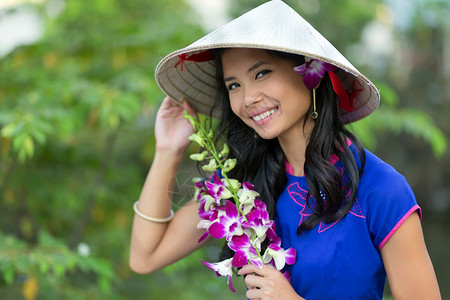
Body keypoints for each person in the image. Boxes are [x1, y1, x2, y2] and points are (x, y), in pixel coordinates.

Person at [129, 1, 441, 299]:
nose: (248, 98)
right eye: (234, 85)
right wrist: (168, 150)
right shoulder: (240, 187)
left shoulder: (380, 188)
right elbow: (145, 257)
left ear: (311, 76)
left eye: (261, 73)